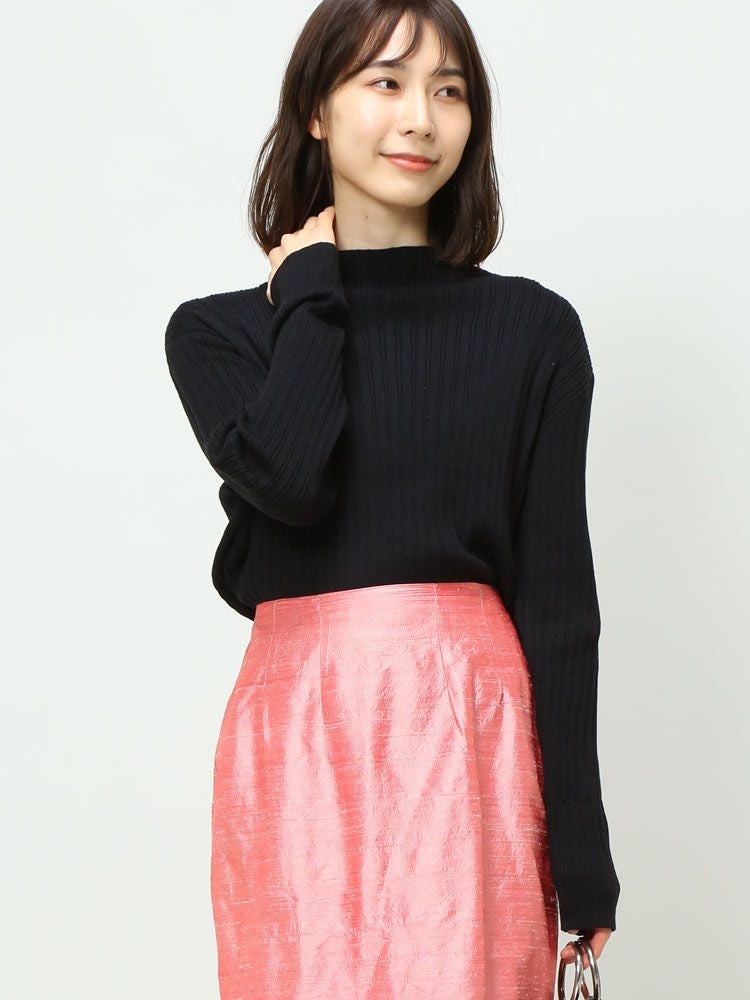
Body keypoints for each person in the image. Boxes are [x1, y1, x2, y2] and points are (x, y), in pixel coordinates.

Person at [164, 2, 621, 997]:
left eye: (448, 91)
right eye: (386, 82)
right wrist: (312, 290)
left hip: (469, 727)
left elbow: (558, 605)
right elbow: (290, 483)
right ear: (316, 109)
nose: (420, 117)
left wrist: (584, 858)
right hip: (298, 729)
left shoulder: (532, 330)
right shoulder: (218, 333)